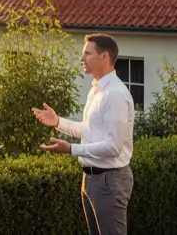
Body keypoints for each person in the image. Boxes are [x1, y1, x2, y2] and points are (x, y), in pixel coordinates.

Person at [32, 33, 135, 235]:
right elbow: (89, 131)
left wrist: (71, 149)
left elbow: (113, 147)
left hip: (108, 181)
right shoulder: (96, 90)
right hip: (92, 179)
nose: (82, 59)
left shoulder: (114, 94)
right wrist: (57, 122)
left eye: (87, 54)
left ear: (104, 56)